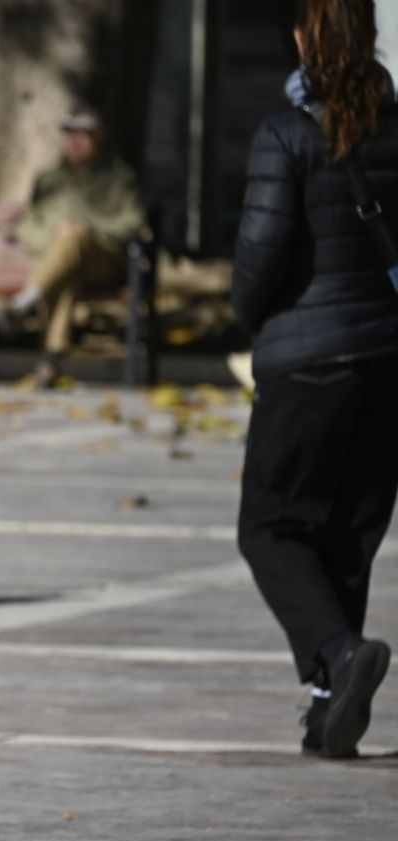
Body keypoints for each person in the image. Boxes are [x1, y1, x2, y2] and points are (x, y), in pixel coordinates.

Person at [233, 0, 398, 760]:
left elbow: (261, 255)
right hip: (387, 359)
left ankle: (337, 654)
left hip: (308, 359)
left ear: (307, 40)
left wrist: (246, 313)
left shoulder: (286, 132)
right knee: (348, 533)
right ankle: (332, 707)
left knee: (271, 525)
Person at [0, 107, 142, 388]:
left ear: (98, 138)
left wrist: (89, 228)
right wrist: (53, 237)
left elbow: (134, 223)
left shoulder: (119, 178)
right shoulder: (49, 178)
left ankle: (23, 302)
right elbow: (27, 224)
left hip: (104, 259)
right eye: (69, 135)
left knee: (73, 242)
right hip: (63, 263)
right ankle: (52, 360)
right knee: (66, 267)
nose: (74, 142)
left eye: (82, 136)